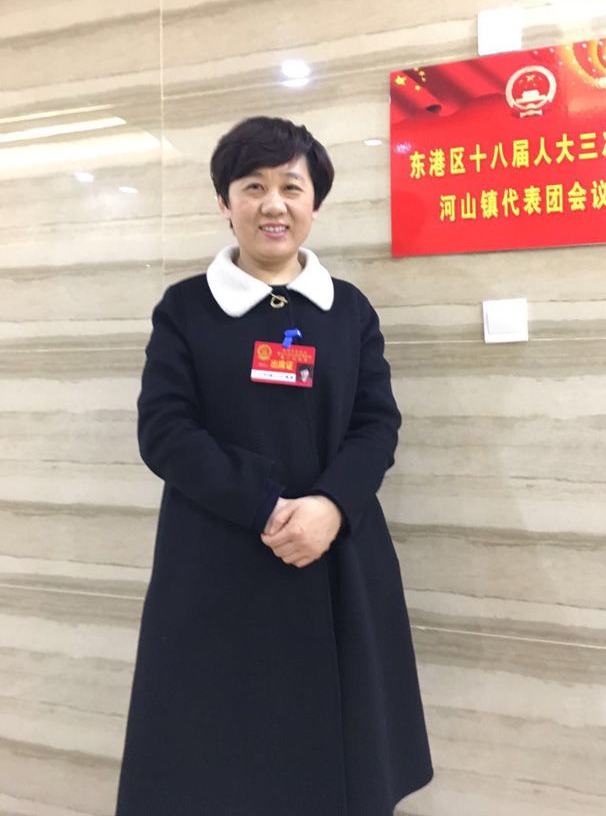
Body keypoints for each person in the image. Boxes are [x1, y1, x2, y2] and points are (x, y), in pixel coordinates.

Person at [115, 116, 433, 815]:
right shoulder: (186, 309)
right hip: (218, 563)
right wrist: (265, 505)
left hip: (336, 555)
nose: (273, 204)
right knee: (216, 764)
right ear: (224, 202)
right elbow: (164, 430)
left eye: (291, 186)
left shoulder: (349, 311)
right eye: (252, 186)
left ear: (315, 203)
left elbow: (377, 424)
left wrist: (329, 506)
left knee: (338, 767)